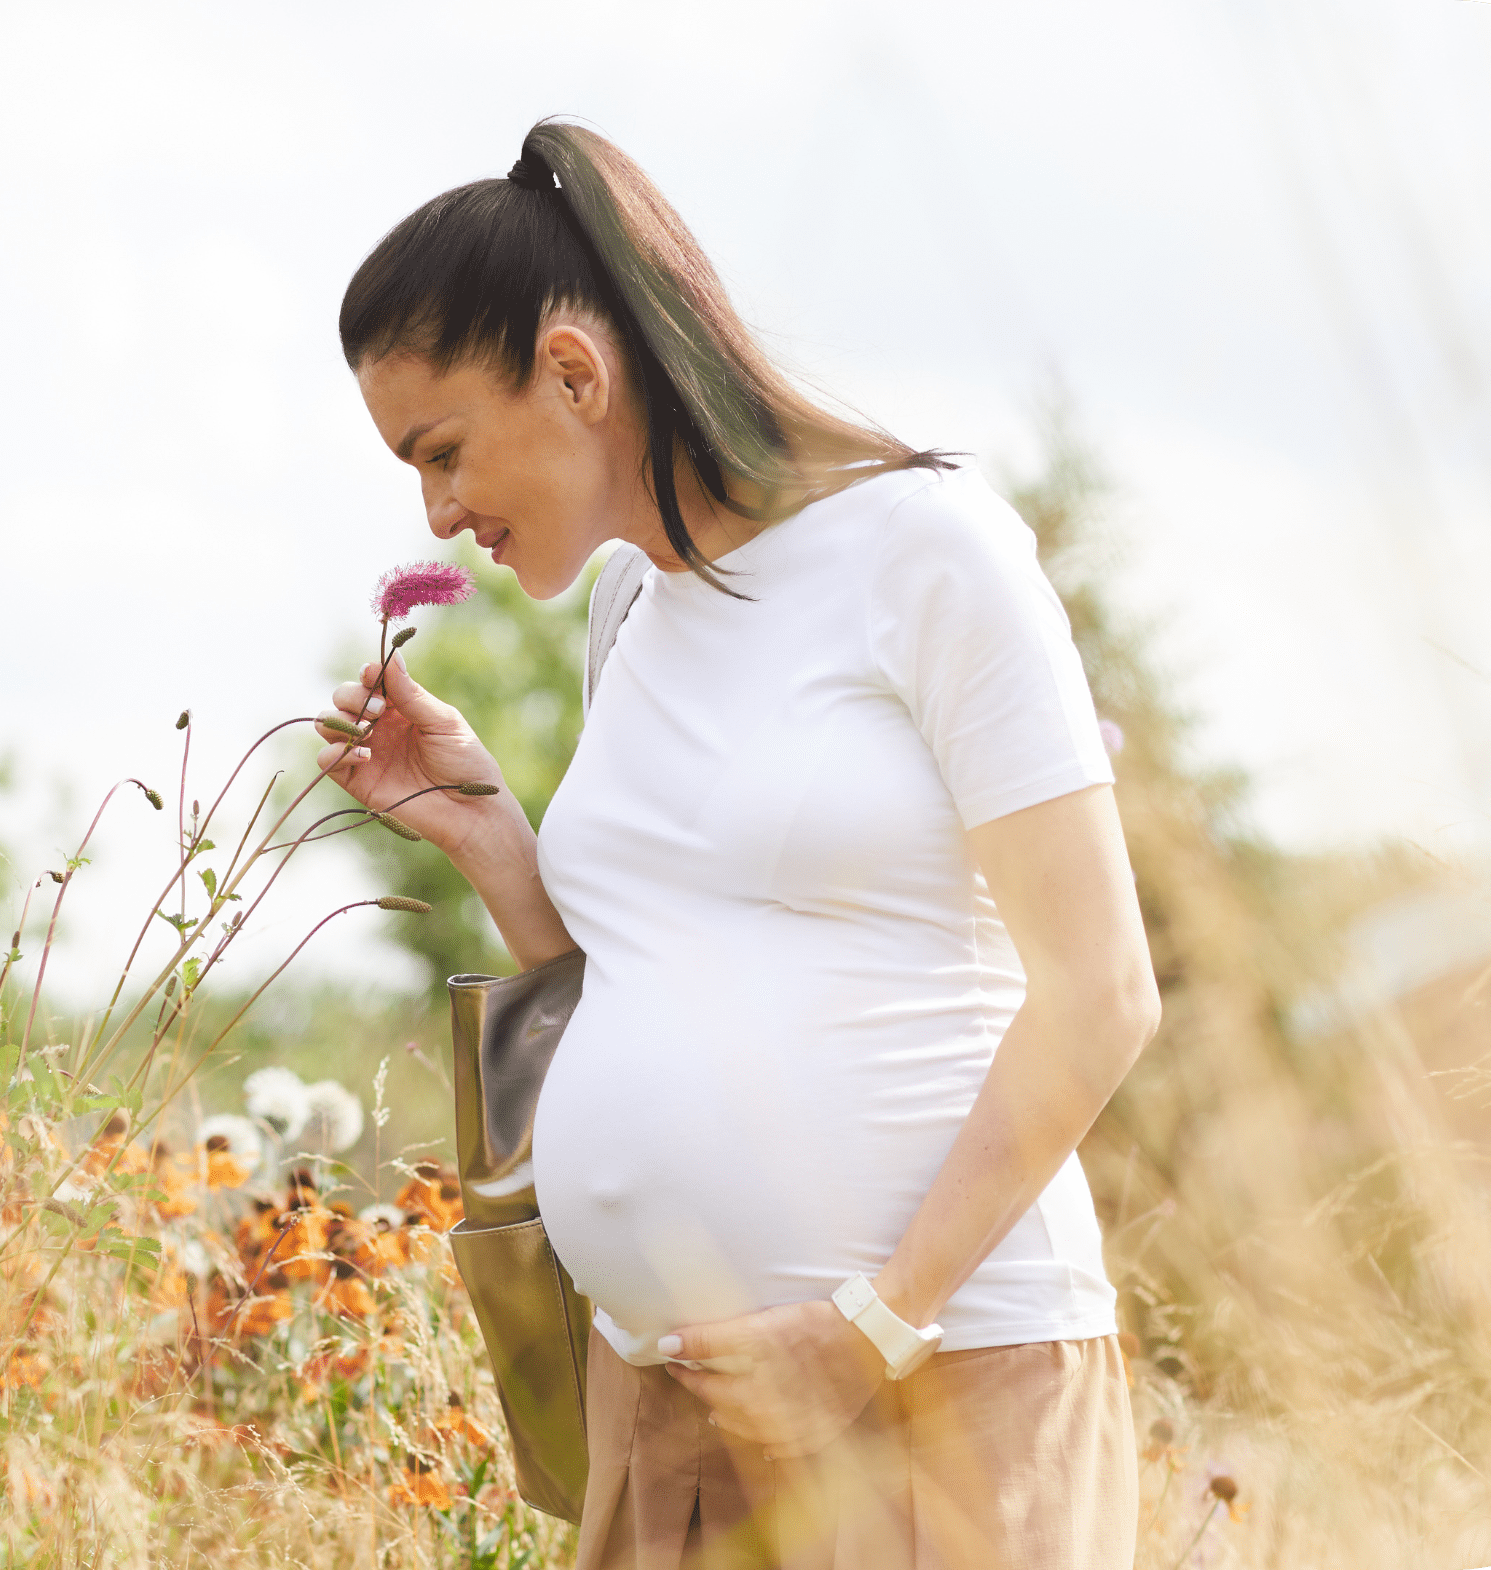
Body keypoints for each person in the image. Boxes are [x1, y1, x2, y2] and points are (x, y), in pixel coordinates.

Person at [316, 119, 1160, 1570]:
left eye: (441, 450)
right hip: (668, 1412)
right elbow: (656, 979)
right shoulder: (628, 610)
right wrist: (496, 847)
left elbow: (1101, 994)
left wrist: (871, 1327)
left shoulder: (928, 549)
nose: (438, 514)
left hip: (930, 1390)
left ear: (576, 372)